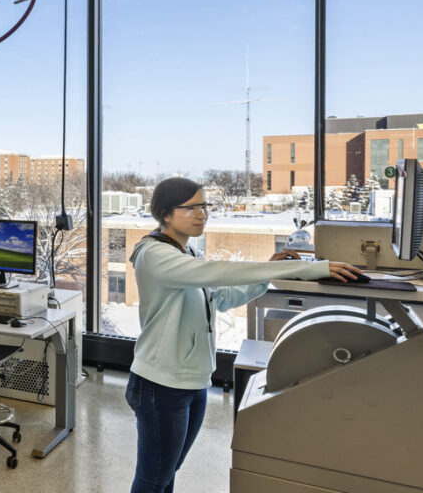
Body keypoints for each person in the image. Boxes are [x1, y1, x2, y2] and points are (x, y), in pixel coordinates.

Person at [125, 177, 361, 493]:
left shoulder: (188, 252)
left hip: (192, 381)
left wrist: (265, 273)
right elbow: (217, 273)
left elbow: (221, 297)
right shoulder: (154, 255)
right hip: (161, 384)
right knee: (153, 478)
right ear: (165, 213)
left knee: (166, 474)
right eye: (191, 208)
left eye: (204, 206)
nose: (201, 214)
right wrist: (300, 269)